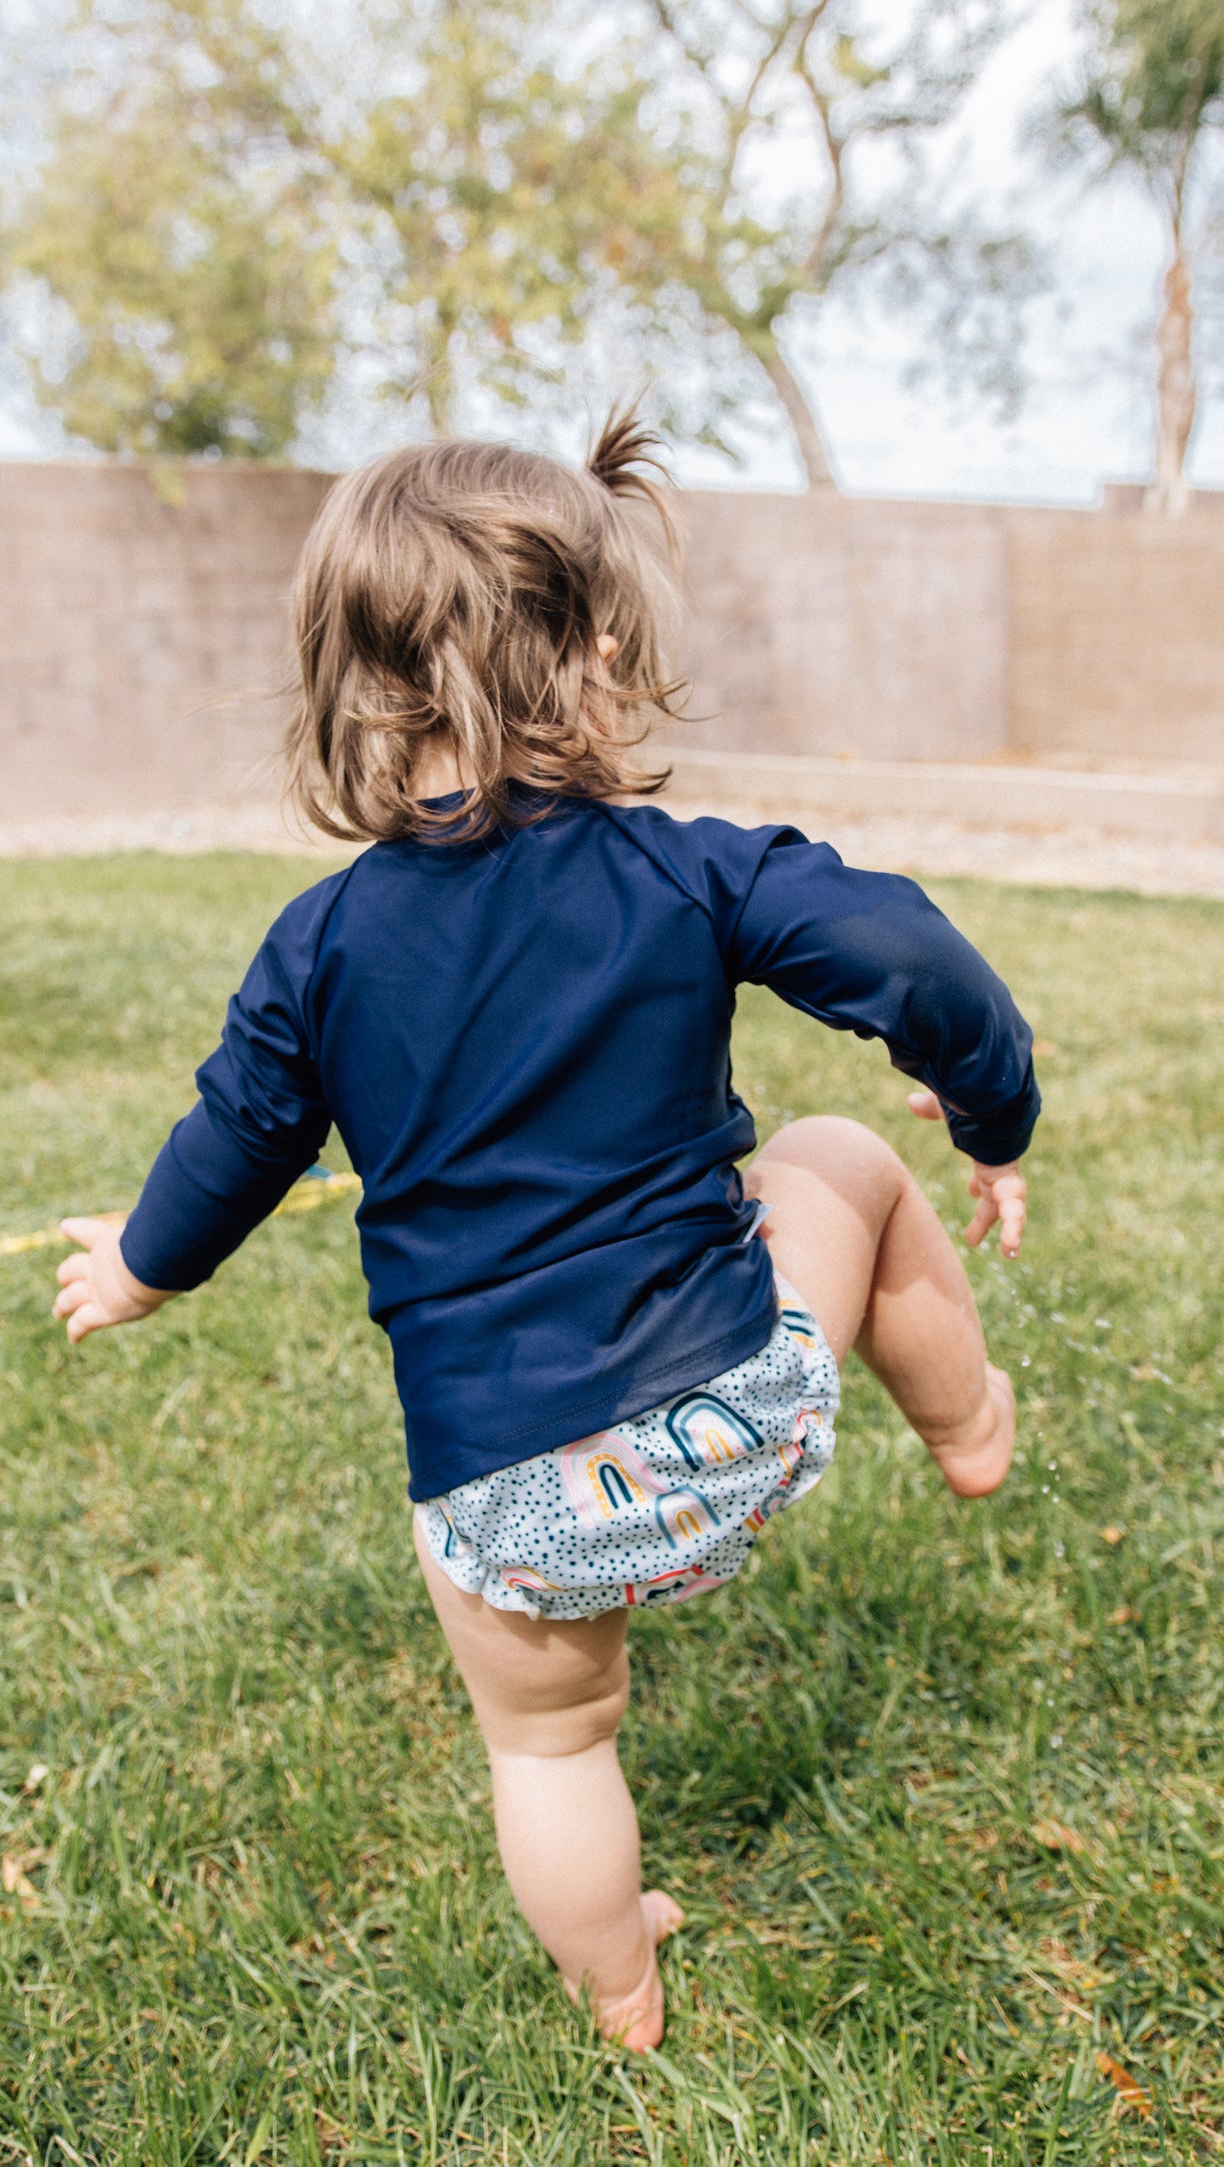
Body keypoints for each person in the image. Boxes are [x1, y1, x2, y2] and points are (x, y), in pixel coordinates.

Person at [53, 415, 1037, 2054]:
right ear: (596, 649)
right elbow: (908, 954)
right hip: (732, 1417)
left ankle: (618, 1990)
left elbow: (235, 1139)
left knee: (551, 1750)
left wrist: (140, 1267)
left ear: (357, 680)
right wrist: (986, 1114)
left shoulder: (321, 947)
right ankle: (967, 1417)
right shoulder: (686, 871)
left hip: (507, 1495)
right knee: (841, 1149)